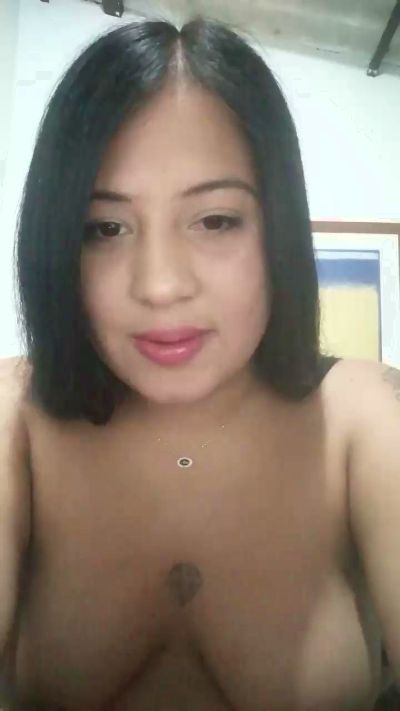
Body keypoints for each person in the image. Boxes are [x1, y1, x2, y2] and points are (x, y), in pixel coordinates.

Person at [0, 15, 399, 711]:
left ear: (276, 229)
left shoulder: (363, 419)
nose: (160, 286)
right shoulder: (16, 417)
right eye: (105, 228)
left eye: (215, 220)